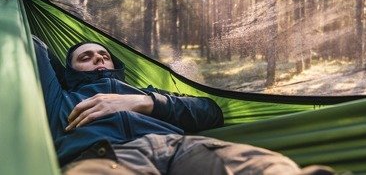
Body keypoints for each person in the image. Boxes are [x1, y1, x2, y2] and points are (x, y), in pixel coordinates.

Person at [33, 36, 335, 175]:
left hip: (177, 148)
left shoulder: (148, 92)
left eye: (103, 54)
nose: (98, 58)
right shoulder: (62, 98)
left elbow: (210, 112)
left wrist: (143, 101)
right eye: (85, 57)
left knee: (267, 167)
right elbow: (34, 46)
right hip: (105, 156)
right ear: (70, 72)